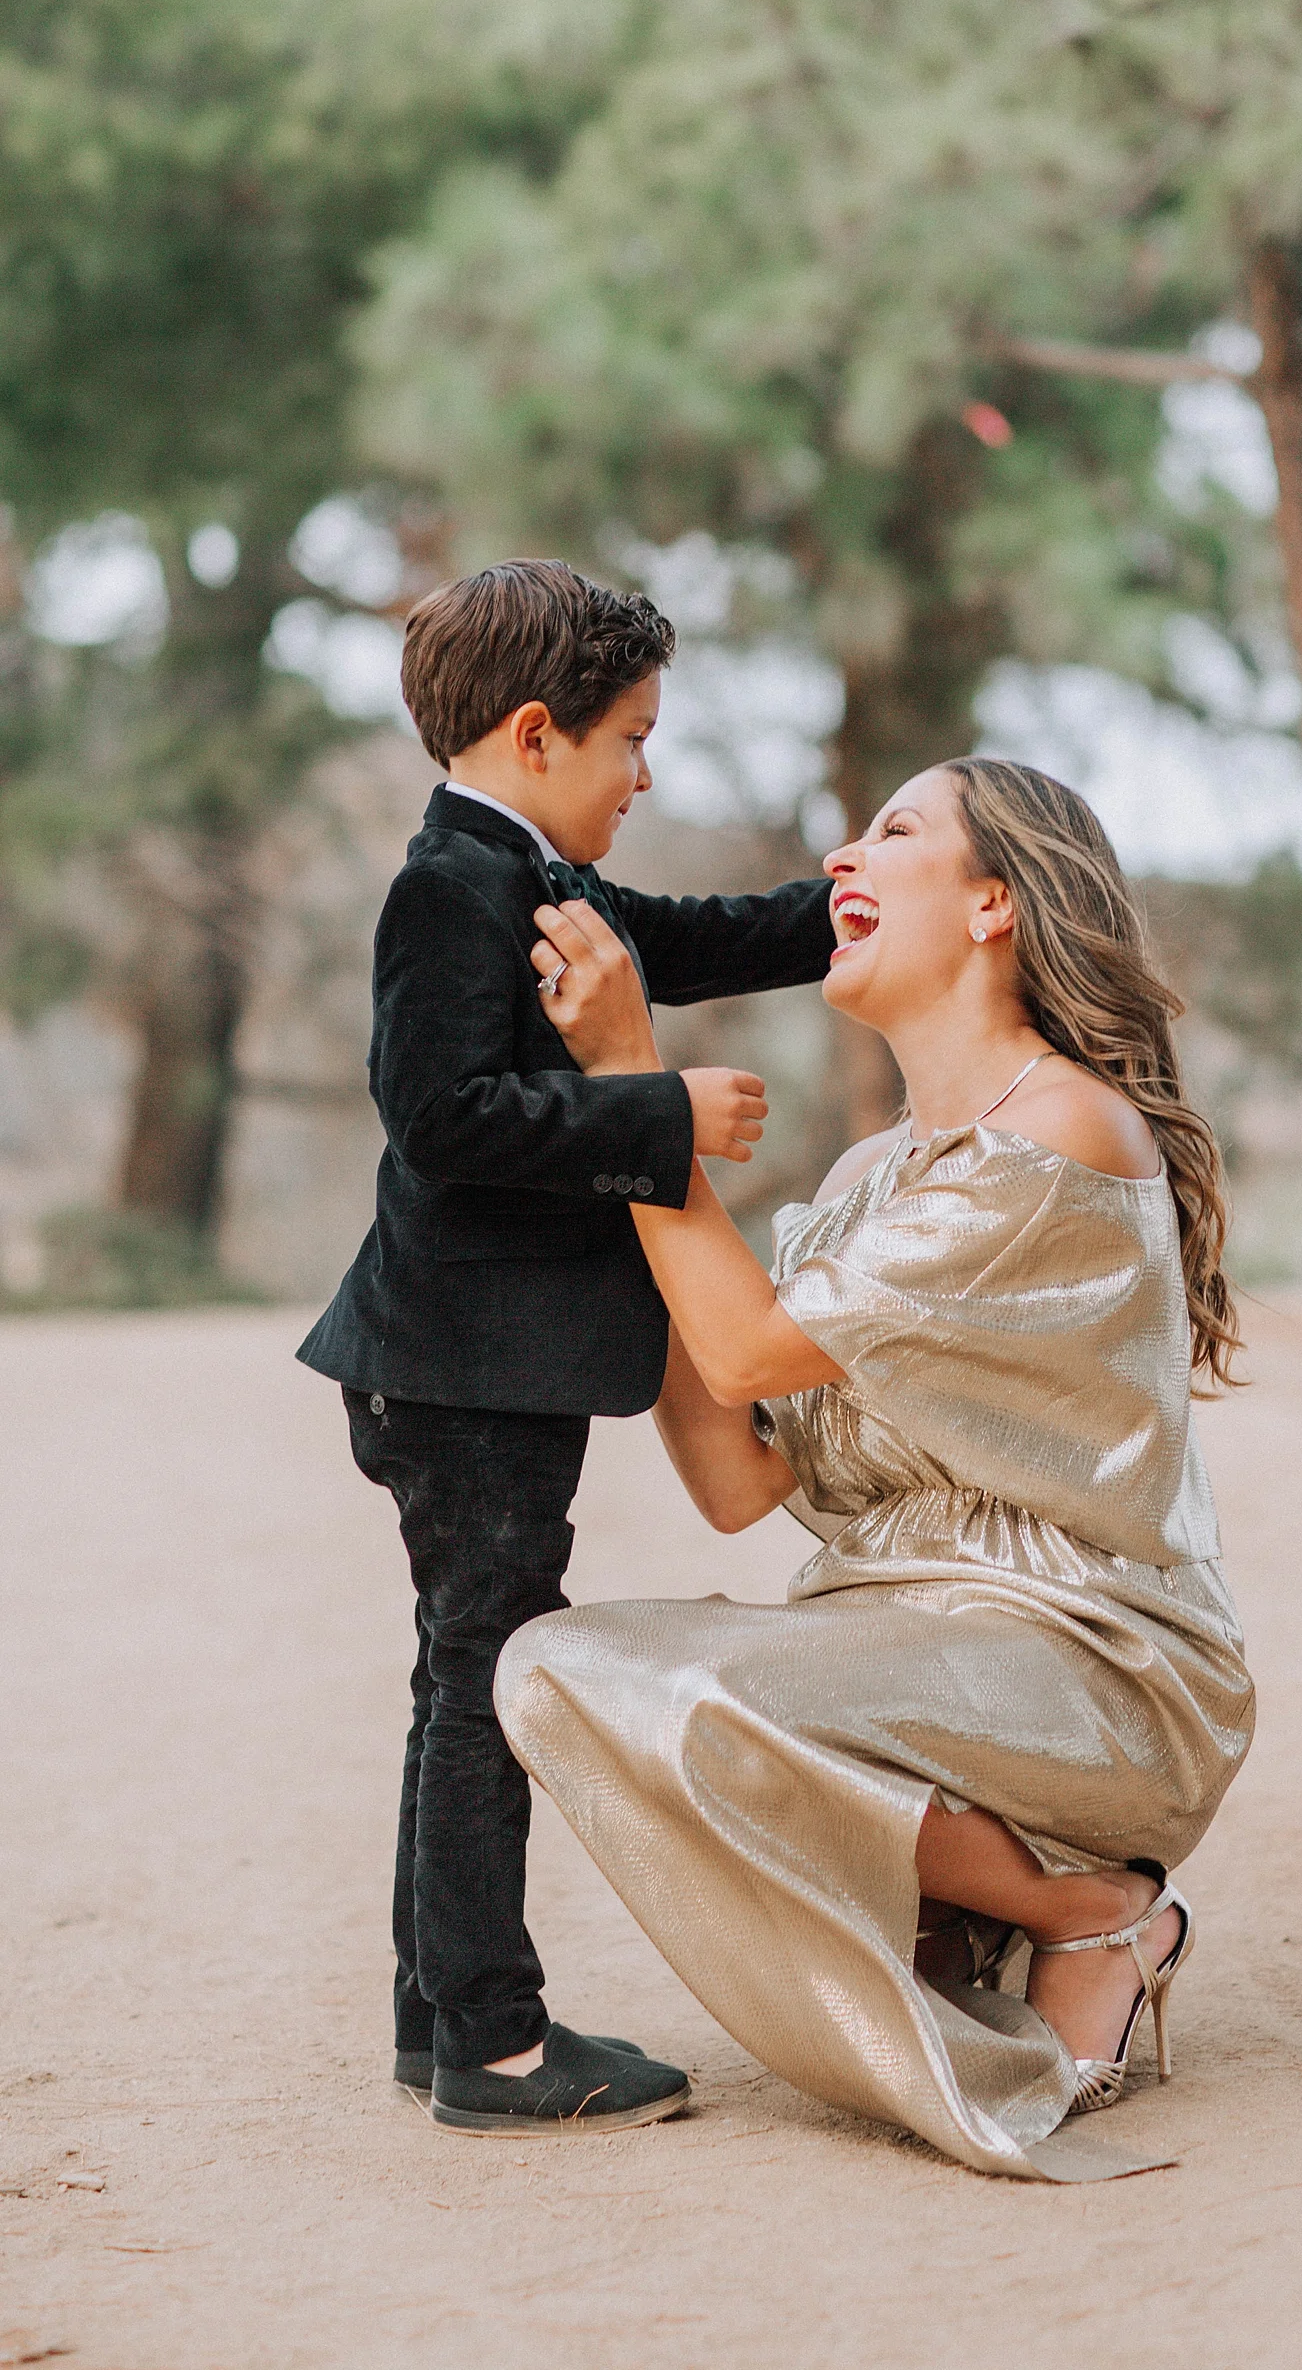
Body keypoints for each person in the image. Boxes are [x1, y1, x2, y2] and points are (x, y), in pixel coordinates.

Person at [497, 757, 1254, 2181]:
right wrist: (614, 1162)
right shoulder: (858, 1180)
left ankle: (1090, 1907)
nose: (842, 856)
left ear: (992, 905)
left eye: (893, 832)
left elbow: (748, 1349)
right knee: (555, 1666)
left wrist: (629, 1090)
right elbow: (736, 1479)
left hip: (1092, 1662)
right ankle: (978, 1905)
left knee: (699, 1694)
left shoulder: (1063, 1133)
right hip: (894, 1640)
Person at [296, 560, 836, 2133]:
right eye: (633, 740)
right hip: (460, 1371)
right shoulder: (447, 890)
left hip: (479, 1368)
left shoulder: (535, 873)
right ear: (540, 734)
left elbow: (694, 933)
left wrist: (845, 903)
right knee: (492, 1681)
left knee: (460, 1676)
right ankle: (499, 2043)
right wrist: (658, 1113)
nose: (648, 773)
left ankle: (435, 2012)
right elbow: (441, 1118)